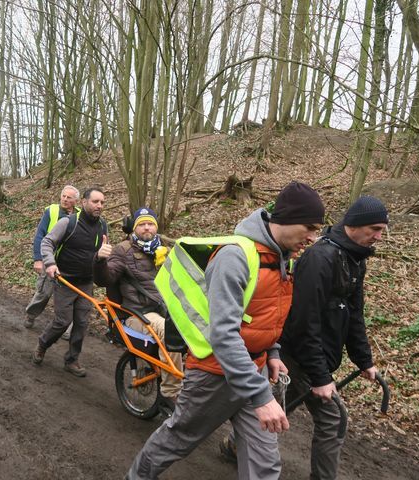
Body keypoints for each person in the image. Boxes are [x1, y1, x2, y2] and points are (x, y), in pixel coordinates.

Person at [127, 181, 325, 480]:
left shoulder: (281, 258)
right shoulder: (236, 256)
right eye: (309, 227)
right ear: (285, 218)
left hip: (252, 370)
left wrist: (271, 351)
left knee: (265, 463)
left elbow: (261, 313)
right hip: (214, 374)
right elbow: (224, 334)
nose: (313, 237)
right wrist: (262, 397)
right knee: (177, 439)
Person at [278, 196, 388, 480]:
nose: (378, 236)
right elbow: (304, 322)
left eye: (381, 230)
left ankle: (234, 446)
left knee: (278, 410)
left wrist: (364, 360)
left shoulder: (353, 259)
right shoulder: (320, 258)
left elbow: (354, 315)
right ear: (355, 224)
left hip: (316, 358)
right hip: (297, 357)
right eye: (375, 229)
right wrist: (320, 377)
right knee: (331, 420)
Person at [93, 207, 182, 405]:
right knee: (169, 331)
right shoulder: (123, 250)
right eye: (142, 224)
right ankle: (171, 393)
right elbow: (105, 279)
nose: (147, 228)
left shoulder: (163, 250)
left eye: (150, 224)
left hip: (164, 308)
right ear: (135, 228)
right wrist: (99, 261)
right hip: (136, 313)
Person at [32, 187, 107, 377]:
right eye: (95, 202)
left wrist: (103, 259)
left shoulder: (103, 226)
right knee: (63, 321)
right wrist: (49, 263)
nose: (99, 206)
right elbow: (47, 242)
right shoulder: (68, 222)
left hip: (86, 281)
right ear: (84, 202)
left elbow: (101, 253)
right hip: (65, 279)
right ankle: (43, 344)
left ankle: (72, 360)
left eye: (102, 203)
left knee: (81, 322)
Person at [24, 185, 81, 334]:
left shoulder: (81, 216)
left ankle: (67, 328)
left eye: (69, 197)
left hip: (70, 264)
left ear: (76, 201)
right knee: (44, 293)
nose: (65, 199)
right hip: (50, 261)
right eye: (63, 196)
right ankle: (31, 314)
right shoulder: (52, 211)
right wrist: (38, 259)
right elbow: (40, 236)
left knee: (69, 297)